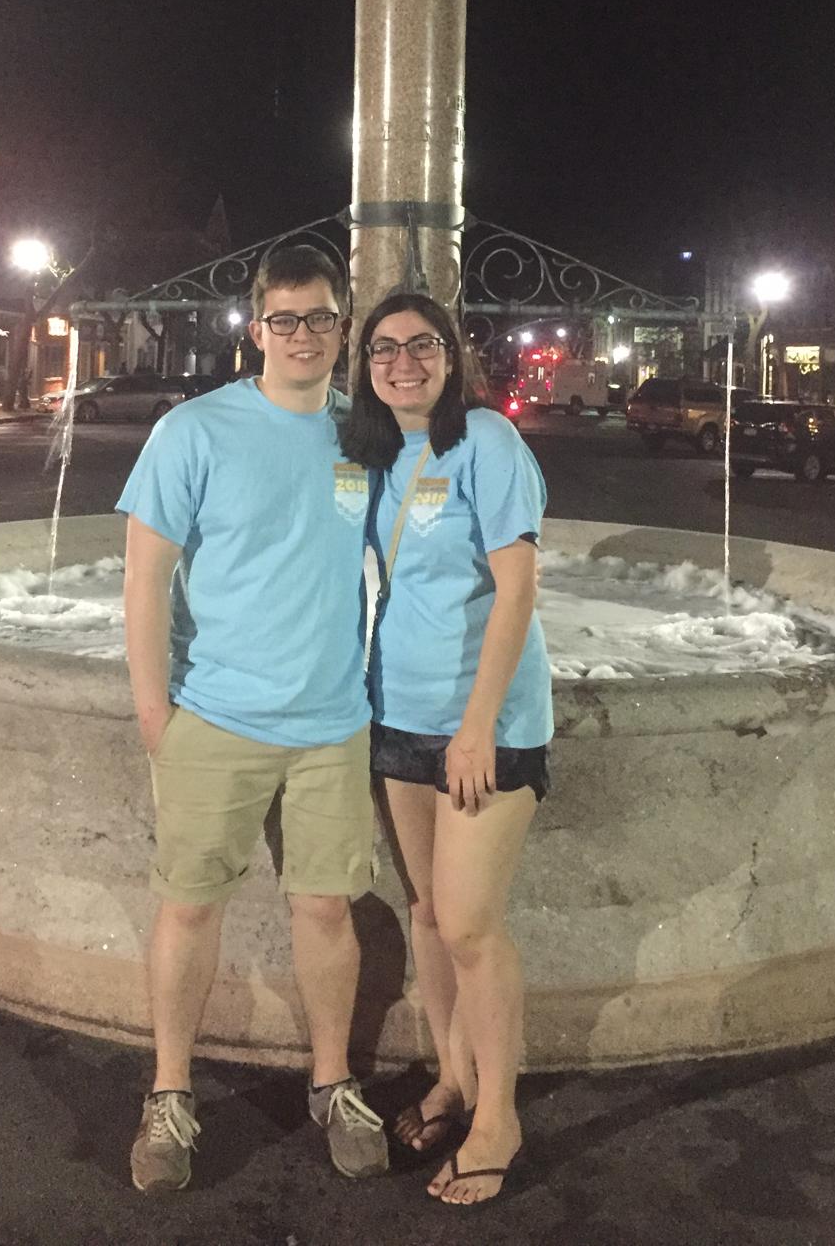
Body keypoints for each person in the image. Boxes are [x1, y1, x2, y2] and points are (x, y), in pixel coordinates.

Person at [117, 242, 388, 1195]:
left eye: (320, 318)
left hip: (332, 721)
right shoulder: (195, 430)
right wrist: (155, 712)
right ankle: (169, 1093)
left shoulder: (365, 434)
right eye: (284, 319)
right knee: (190, 904)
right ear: (256, 328)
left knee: (327, 908)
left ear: (342, 326)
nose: (303, 335)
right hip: (216, 713)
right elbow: (144, 579)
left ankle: (333, 1082)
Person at [342, 290, 551, 1209]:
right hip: (398, 714)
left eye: (422, 344)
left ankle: (498, 1117)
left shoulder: (488, 443)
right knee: (429, 915)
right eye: (384, 349)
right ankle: (454, 1079)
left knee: (469, 924)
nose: (404, 362)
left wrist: (477, 726)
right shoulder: (377, 455)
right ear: (366, 368)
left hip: (483, 726)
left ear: (453, 353)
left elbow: (517, 589)